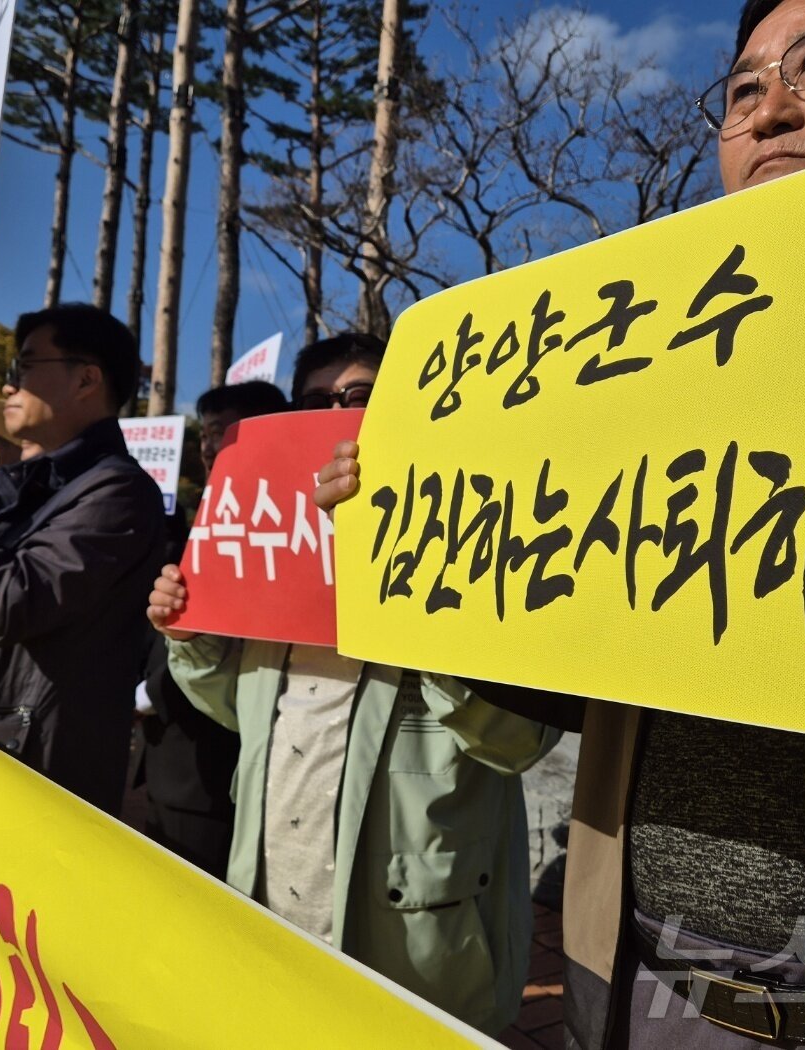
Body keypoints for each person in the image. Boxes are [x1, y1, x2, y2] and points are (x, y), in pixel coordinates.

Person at [315, 2, 805, 1047]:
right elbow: (565, 677)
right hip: (637, 981)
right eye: (741, 89)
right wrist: (421, 546)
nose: (771, 110)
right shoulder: (639, 368)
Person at [147, 333, 560, 1035]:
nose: (337, 415)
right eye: (315, 403)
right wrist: (191, 637)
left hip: (414, 949)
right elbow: (235, 715)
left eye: (361, 398)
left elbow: (518, 740)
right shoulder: (267, 553)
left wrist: (400, 563)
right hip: (276, 908)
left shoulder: (470, 538)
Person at [0, 303, 165, 815]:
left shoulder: (118, 492)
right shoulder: (39, 489)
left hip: (32, 770)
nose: (10, 385)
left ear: (86, 379)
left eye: (25, 367)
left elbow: (11, 606)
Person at [133, 379, 288, 877]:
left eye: (224, 432)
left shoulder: (284, 524)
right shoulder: (196, 510)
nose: (209, 446)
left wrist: (152, 691)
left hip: (217, 761)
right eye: (205, 433)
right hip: (169, 752)